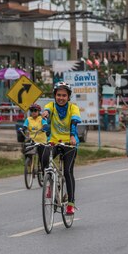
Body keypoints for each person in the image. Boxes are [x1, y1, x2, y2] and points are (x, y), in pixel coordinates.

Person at [42, 81, 82, 215]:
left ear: (68, 97)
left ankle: (70, 203)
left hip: (69, 143)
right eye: (58, 95)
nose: (61, 97)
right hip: (54, 142)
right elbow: (46, 112)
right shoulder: (51, 106)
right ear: (54, 95)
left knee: (67, 172)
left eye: (64, 95)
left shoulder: (73, 108)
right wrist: (45, 118)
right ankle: (49, 182)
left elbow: (74, 122)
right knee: (44, 158)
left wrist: (72, 136)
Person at [21, 103, 47, 178]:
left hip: (42, 142)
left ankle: (43, 172)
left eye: (35, 110)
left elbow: (45, 125)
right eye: (31, 110)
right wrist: (23, 129)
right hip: (32, 141)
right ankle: (29, 164)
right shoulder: (28, 119)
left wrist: (44, 128)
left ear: (38, 111)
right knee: (26, 150)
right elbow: (25, 126)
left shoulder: (41, 118)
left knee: (42, 158)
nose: (33, 112)